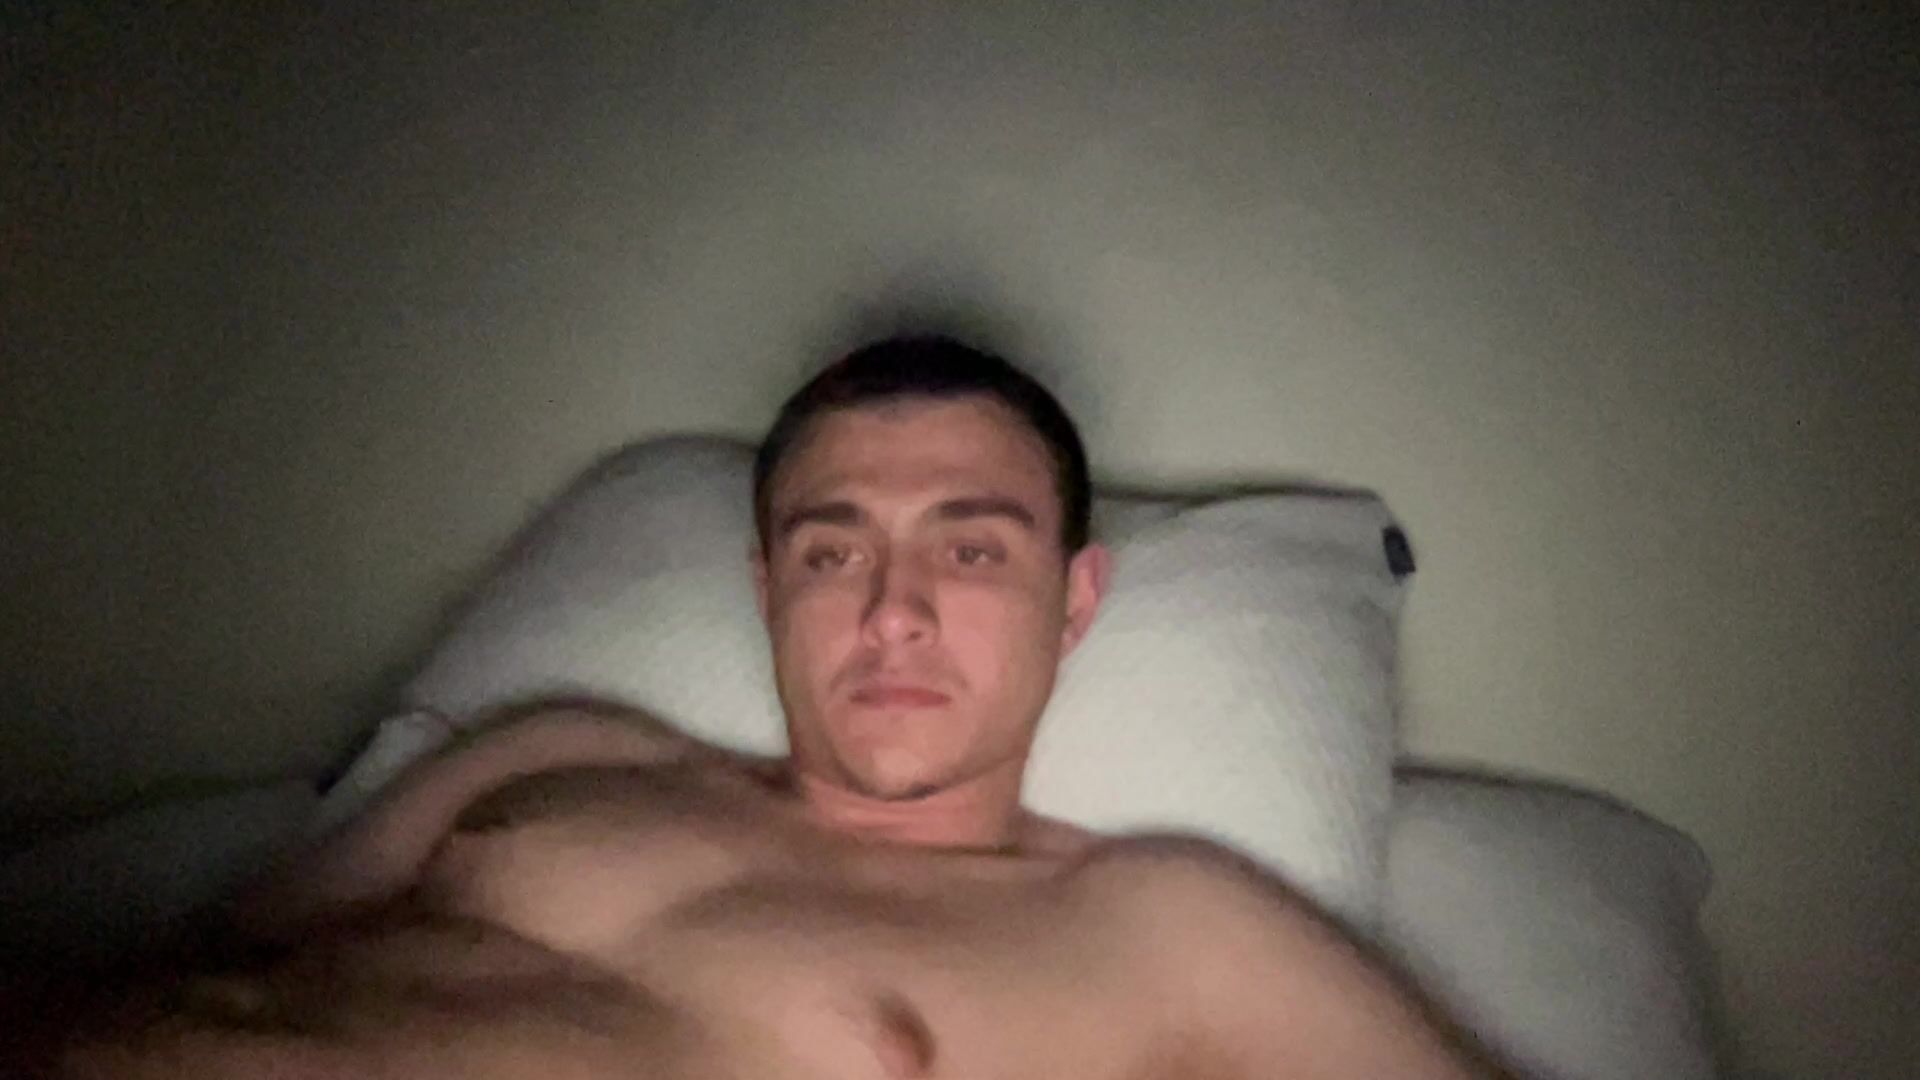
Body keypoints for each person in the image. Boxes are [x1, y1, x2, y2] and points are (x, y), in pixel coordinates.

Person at [46, 337, 1505, 1078]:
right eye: (832, 551)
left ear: (1074, 603)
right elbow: (227, 948)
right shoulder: (557, 749)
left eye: (971, 550)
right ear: (767, 589)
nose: (893, 609)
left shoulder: (1166, 926)